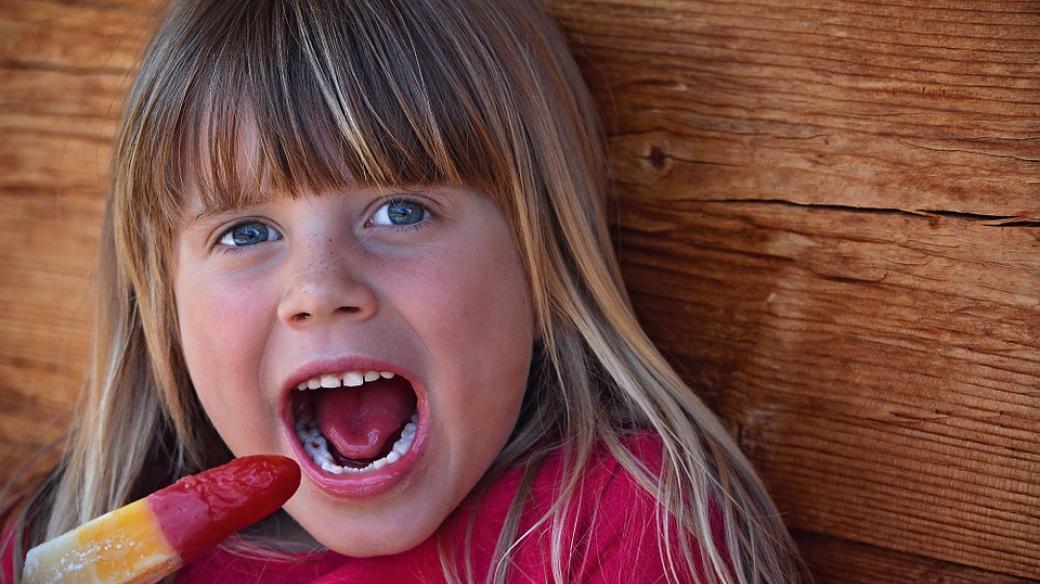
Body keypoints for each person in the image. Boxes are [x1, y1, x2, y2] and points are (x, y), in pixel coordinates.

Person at [1, 0, 810, 582]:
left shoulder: (622, 531)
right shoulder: (54, 541)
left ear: (542, 262)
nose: (319, 289)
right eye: (245, 232)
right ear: (162, 306)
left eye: (400, 210)